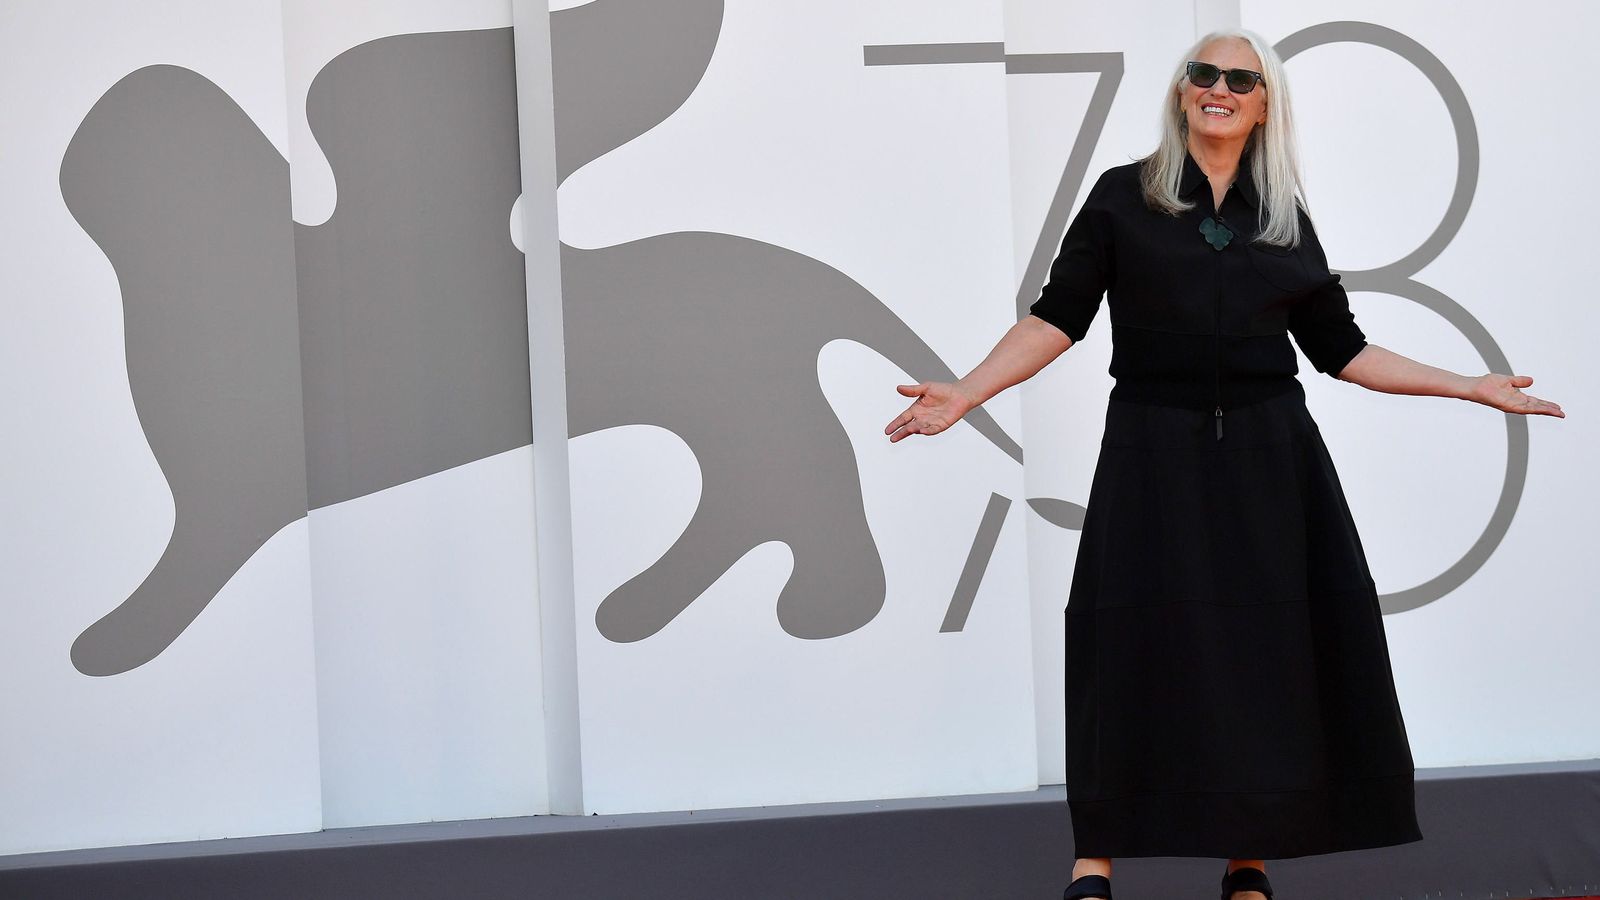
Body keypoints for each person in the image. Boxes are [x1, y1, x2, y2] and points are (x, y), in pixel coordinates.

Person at [882, 27, 1564, 900]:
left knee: (1262, 650)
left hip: (1267, 456)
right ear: (1180, 92)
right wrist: (968, 393)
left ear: (1264, 102)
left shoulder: (1281, 215)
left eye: (1242, 79)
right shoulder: (1122, 199)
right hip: (1150, 448)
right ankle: (1095, 859)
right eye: (1204, 74)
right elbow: (1056, 318)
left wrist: (1470, 387)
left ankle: (1248, 858)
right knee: (1124, 637)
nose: (1221, 88)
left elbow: (1343, 352)